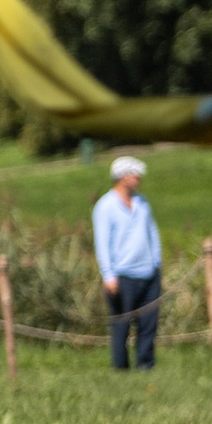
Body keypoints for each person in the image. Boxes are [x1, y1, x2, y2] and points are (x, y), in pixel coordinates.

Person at [93, 157, 163, 371]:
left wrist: (157, 263)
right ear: (123, 177)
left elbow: (152, 232)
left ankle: (146, 365)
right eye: (135, 175)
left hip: (148, 272)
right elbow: (102, 243)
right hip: (122, 275)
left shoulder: (142, 202)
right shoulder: (105, 206)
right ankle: (120, 368)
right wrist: (108, 275)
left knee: (148, 324)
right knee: (121, 325)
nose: (139, 178)